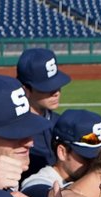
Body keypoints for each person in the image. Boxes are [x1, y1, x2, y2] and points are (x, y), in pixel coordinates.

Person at [20, 109, 101, 197]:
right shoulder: (43, 179)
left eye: (99, 157)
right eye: (87, 158)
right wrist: (65, 195)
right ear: (62, 152)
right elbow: (32, 189)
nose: (94, 163)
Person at [15, 47, 71, 177]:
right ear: (25, 90)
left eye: (57, 85)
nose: (56, 92)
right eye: (48, 88)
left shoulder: (61, 122)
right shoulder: (13, 131)